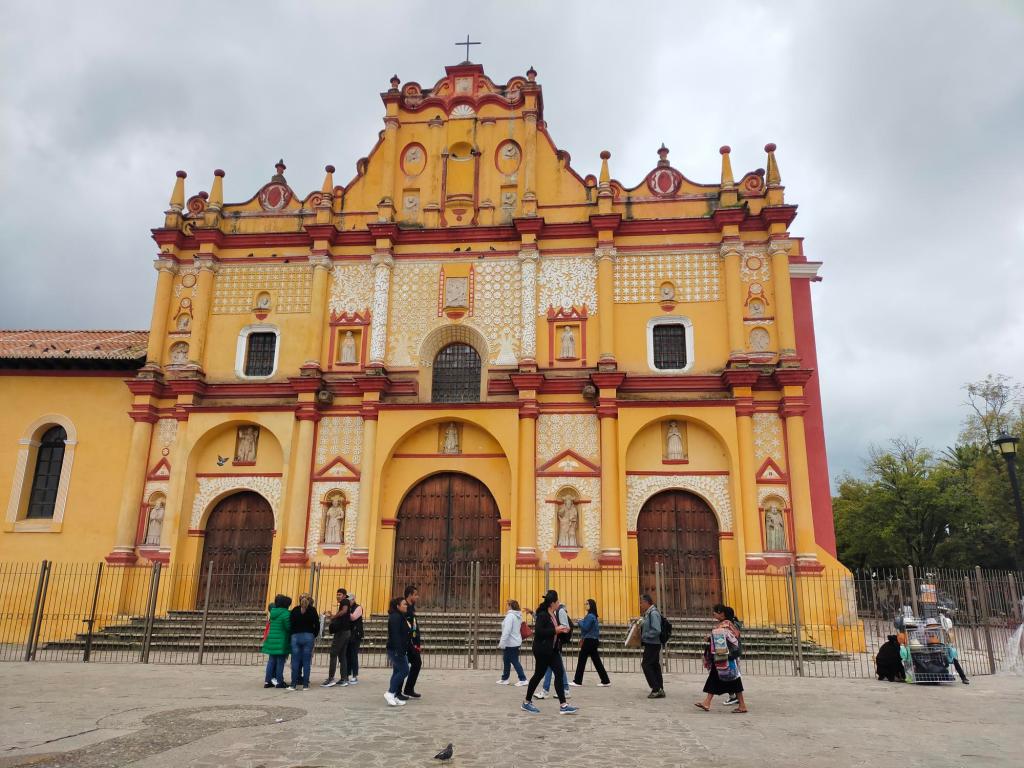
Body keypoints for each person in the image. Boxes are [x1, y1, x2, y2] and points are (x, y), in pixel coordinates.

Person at [521, 590, 577, 715]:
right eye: (557, 601)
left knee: (559, 673)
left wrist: (563, 631)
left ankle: (563, 705)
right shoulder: (543, 615)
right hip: (542, 650)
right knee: (538, 675)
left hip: (553, 650)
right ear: (552, 603)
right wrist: (556, 630)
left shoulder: (553, 614)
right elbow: (539, 632)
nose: (559, 603)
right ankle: (526, 702)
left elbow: (554, 631)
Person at [695, 603, 748, 713]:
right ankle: (707, 702)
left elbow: (721, 639)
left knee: (734, 680)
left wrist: (710, 640)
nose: (714, 614)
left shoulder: (725, 624)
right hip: (727, 655)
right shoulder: (730, 624)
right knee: (718, 677)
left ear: (722, 614)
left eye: (715, 612)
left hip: (724, 656)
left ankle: (742, 705)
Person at [572, 598, 611, 687]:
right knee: (597, 661)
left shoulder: (590, 616)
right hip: (593, 641)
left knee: (582, 660)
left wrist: (580, 622)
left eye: (587, 604)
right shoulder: (593, 616)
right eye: (585, 604)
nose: (585, 605)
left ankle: (577, 681)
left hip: (589, 641)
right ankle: (605, 681)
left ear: (591, 605)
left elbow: (585, 627)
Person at [537, 597, 571, 699]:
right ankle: (558, 690)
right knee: (554, 668)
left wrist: (557, 629)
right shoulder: (550, 613)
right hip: (552, 644)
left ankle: (558, 690)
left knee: (556, 668)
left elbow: (566, 627)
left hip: (556, 644)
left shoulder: (560, 611)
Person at [288, 593, 319, 690]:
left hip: (296, 636)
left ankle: (293, 684)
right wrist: (313, 634)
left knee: (295, 661)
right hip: (308, 636)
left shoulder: (295, 610)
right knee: (306, 662)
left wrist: (292, 634)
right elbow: (317, 624)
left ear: (299, 600)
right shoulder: (313, 610)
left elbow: (290, 623)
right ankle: (305, 685)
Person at [385, 595, 412, 707]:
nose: (406, 606)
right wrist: (398, 650)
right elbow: (395, 635)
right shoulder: (395, 617)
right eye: (404, 604)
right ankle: (390, 693)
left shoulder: (400, 616)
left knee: (397, 671)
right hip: (396, 649)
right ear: (398, 606)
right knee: (404, 670)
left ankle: (394, 695)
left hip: (400, 648)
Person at [261, 594, 292, 689]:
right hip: (281, 641)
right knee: (280, 662)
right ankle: (279, 681)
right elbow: (288, 627)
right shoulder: (286, 614)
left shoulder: (273, 612)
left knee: (271, 661)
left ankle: (267, 681)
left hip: (272, 640)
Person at [321, 595, 352, 688]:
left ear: (344, 595)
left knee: (333, 653)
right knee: (342, 655)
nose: (337, 596)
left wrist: (334, 616)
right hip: (346, 632)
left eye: (339, 594)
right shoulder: (344, 604)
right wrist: (333, 616)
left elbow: (344, 610)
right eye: (337, 594)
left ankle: (331, 679)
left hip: (341, 633)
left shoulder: (345, 601)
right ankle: (344, 679)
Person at [497, 599, 528, 686]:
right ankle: (505, 678)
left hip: (510, 642)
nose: (506, 607)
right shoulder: (517, 615)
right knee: (506, 660)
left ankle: (523, 679)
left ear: (510, 606)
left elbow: (507, 631)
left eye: (507, 605)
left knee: (514, 661)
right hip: (514, 641)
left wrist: (502, 642)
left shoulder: (510, 616)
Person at [639, 594, 665, 698]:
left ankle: (656, 689)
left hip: (652, 644)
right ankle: (660, 688)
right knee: (654, 666)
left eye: (641, 603)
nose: (640, 605)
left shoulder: (653, 613)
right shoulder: (649, 613)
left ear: (646, 602)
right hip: (652, 643)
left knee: (646, 665)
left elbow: (657, 630)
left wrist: (644, 635)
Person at [939, 608, 969, 684]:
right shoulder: (939, 630)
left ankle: (963, 678)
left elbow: (951, 641)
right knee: (945, 663)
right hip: (941, 650)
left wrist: (948, 635)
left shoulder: (948, 632)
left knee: (955, 661)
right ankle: (944, 676)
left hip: (948, 649)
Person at [721, 606, 744, 706]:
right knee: (732, 676)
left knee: (732, 676)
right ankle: (736, 698)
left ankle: (735, 697)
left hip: (731, 654)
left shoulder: (730, 625)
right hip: (733, 653)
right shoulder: (733, 624)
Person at [403, 585, 423, 699]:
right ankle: (399, 690)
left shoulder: (411, 607)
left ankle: (408, 689)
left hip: (413, 642)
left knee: (416, 664)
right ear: (410, 595)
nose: (417, 597)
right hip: (408, 643)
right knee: (403, 667)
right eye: (415, 595)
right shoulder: (405, 607)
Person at [346, 591, 364, 684]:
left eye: (349, 600)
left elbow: (353, 618)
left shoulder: (358, 608)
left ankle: (354, 675)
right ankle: (346, 674)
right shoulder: (347, 607)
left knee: (353, 654)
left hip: (355, 634)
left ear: (353, 600)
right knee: (347, 654)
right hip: (347, 633)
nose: (348, 602)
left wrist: (346, 611)